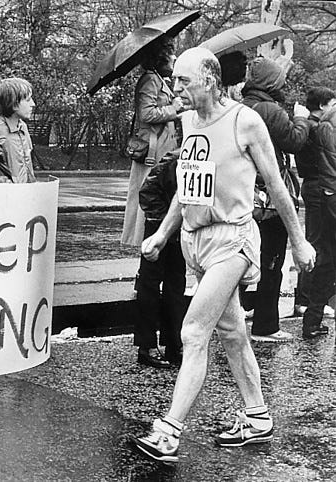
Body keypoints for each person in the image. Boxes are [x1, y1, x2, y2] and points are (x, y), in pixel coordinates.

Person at [132, 47, 315, 463]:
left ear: (210, 81)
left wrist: (299, 241)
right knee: (232, 333)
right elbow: (188, 184)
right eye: (175, 79)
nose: (175, 88)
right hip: (195, 240)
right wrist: (163, 233)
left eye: (183, 81)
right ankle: (257, 416)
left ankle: (169, 431)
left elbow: (277, 185)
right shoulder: (188, 120)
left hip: (233, 240)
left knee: (194, 332)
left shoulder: (244, 121)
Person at [240, 57, 310, 342]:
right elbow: (293, 140)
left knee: (241, 256)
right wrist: (302, 118)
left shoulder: (241, 106)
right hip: (269, 197)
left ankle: (236, 315)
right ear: (272, 82)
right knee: (272, 259)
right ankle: (266, 326)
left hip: (244, 193)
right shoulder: (270, 109)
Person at [121, 34, 183, 251]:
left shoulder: (157, 79)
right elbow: (146, 114)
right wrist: (173, 109)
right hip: (153, 151)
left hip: (161, 146)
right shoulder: (150, 79)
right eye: (171, 54)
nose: (174, 58)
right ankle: (147, 238)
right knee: (150, 194)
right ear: (160, 57)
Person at [134, 155, 187, 368]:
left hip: (176, 228)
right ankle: (146, 346)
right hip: (163, 227)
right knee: (150, 286)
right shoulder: (172, 162)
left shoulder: (185, 160)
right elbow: (147, 192)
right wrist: (164, 226)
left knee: (175, 287)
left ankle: (173, 344)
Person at [293, 87, 336, 319]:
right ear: (321, 106)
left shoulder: (309, 127)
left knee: (316, 241)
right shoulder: (316, 128)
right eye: (332, 103)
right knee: (318, 243)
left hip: (312, 185)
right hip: (319, 187)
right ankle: (306, 298)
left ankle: (306, 298)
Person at [0, 77, 37, 183]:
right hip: (5, 197)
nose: (33, 104)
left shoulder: (22, 126)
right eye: (28, 100)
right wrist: (2, 182)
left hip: (25, 195)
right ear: (14, 104)